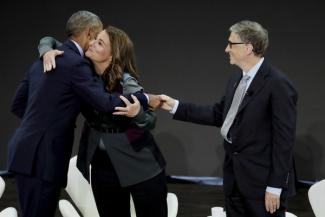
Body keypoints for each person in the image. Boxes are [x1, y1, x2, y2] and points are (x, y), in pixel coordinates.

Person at [7, 11, 153, 217]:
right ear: (90, 33)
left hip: (24, 151)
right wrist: (143, 98)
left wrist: (41, 124)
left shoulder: (43, 60)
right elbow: (103, 102)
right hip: (45, 157)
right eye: (98, 37)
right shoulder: (76, 64)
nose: (96, 43)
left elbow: (17, 104)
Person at [159, 20, 297, 217]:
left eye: (231, 44)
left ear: (248, 47)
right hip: (235, 180)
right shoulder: (236, 79)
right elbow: (220, 114)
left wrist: (275, 187)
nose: (226, 49)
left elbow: (284, 141)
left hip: (262, 185)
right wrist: (175, 106)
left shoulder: (278, 85)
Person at [39, 26, 167, 217]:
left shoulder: (126, 82)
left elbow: (150, 121)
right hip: (103, 165)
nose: (91, 43)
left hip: (139, 164)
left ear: (112, 55)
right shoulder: (82, 72)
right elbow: (48, 39)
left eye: (100, 43)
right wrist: (46, 51)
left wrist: (137, 113)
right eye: (95, 39)